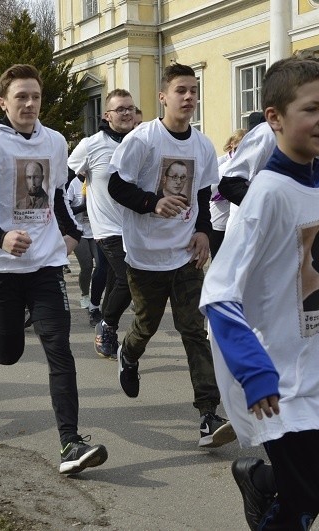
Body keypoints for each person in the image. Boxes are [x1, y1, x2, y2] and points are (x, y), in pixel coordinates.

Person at [201, 55, 319, 530]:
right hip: (283, 382)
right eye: (311, 109)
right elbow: (220, 294)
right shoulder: (267, 195)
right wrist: (255, 372)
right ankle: (279, 488)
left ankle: (264, 481)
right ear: (275, 119)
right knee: (301, 505)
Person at [0, 63, 108, 475]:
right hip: (0, 266)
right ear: (3, 102)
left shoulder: (55, 142)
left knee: (60, 349)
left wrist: (71, 235)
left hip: (45, 264)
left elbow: (57, 197)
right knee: (11, 351)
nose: (29, 104)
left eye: (35, 96)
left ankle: (70, 442)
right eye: (20, 97)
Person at [107, 63, 235, 448]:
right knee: (145, 326)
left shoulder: (202, 144)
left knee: (194, 330)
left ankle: (208, 416)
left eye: (194, 90)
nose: (189, 97)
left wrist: (204, 234)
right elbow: (115, 186)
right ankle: (128, 356)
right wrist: (152, 203)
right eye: (181, 90)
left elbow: (202, 196)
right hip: (144, 256)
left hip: (184, 256)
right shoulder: (142, 140)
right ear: (163, 97)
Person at [68, 88, 137, 360]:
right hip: (107, 227)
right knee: (128, 279)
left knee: (114, 279)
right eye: (120, 109)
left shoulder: (140, 141)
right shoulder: (91, 144)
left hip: (137, 226)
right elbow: (68, 175)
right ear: (107, 115)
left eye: (130, 108)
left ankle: (105, 323)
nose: (126, 113)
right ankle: (107, 326)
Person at [66, 172, 107, 327]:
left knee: (101, 264)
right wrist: (83, 206)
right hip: (80, 231)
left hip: (96, 230)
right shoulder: (74, 184)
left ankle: (95, 296)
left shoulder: (97, 181)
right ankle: (84, 294)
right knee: (87, 265)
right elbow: (67, 208)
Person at [210, 129, 246, 258]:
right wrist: (228, 192)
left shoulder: (246, 163)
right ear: (232, 144)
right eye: (239, 145)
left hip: (234, 214)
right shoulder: (222, 163)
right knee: (217, 252)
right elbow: (210, 189)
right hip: (218, 212)